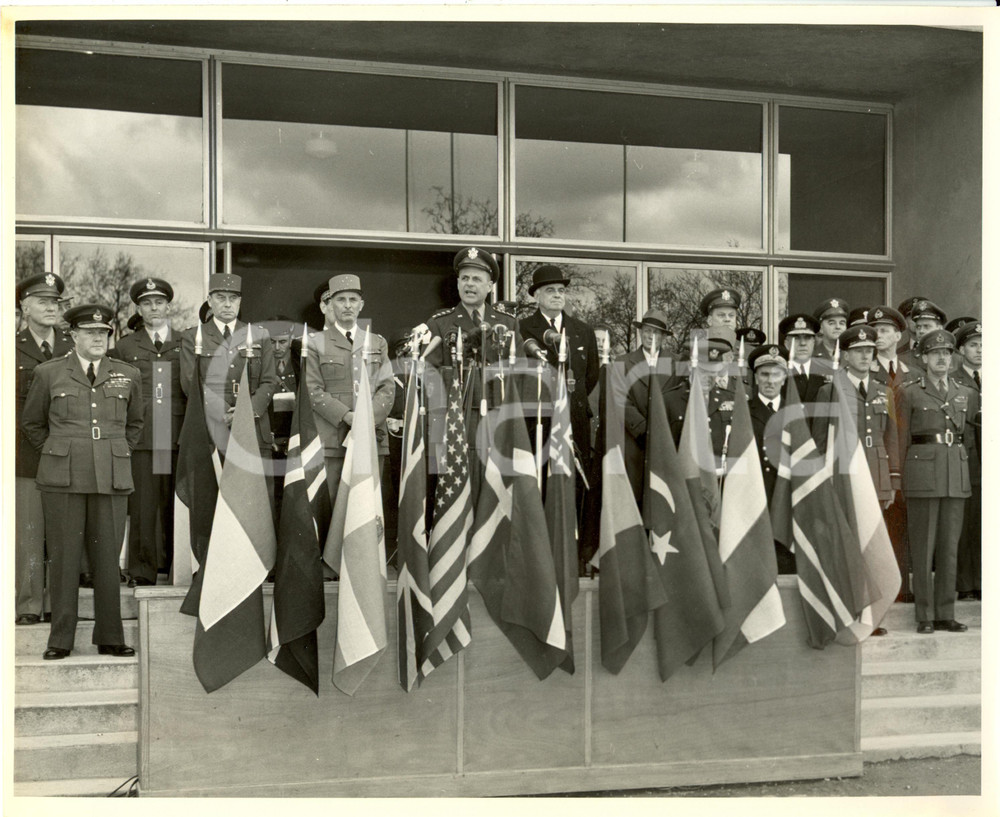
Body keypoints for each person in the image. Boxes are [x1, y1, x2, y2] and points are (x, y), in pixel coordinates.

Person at [22, 304, 143, 660]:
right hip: (63, 478)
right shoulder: (48, 373)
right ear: (73, 336)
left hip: (111, 476)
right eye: (90, 333)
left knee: (108, 561)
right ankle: (60, 640)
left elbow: (135, 425)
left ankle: (110, 636)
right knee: (63, 560)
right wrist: (60, 452)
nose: (98, 338)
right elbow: (32, 424)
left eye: (103, 333)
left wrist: (114, 452)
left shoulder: (128, 374)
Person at [815, 324, 901, 635]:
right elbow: (820, 439)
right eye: (859, 351)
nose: (865, 356)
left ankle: (874, 615)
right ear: (846, 355)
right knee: (849, 546)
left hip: (875, 475)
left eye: (870, 351)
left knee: (873, 544)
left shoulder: (884, 390)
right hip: (844, 476)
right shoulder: (830, 389)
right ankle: (851, 611)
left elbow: (891, 437)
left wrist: (892, 479)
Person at [896, 330, 978, 635]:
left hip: (955, 475)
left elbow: (967, 440)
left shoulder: (965, 393)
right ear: (924, 358)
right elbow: (902, 439)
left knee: (949, 547)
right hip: (922, 476)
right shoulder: (909, 392)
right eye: (936, 353)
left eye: (947, 353)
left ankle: (946, 613)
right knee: (923, 545)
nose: (942, 359)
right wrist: (901, 479)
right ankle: (925, 615)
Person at [109, 277, 185, 588]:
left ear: (169, 306)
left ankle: (177, 566)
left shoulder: (186, 343)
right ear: (139, 309)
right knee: (142, 507)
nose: (153, 307)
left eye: (158, 302)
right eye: (146, 303)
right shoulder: (125, 346)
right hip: (142, 437)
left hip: (175, 435)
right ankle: (142, 569)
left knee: (176, 504)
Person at [15, 273, 74, 625]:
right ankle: (29, 604)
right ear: (24, 306)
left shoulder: (72, 344)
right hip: (26, 453)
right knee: (30, 530)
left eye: (55, 303)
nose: (51, 308)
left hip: (69, 451)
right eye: (43, 302)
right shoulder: (11, 345)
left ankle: (59, 603)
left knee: (64, 530)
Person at [306, 273, 395, 505]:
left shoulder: (377, 342)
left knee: (369, 506)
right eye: (341, 299)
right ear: (330, 305)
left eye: (353, 300)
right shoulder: (315, 343)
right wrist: (347, 416)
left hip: (372, 435)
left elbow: (387, 388)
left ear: (361, 305)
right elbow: (313, 390)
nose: (347, 305)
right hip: (333, 438)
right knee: (335, 506)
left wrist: (365, 419)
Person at [519, 264, 600, 491]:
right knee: (540, 486)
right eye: (550, 290)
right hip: (538, 421)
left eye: (561, 290)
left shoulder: (583, 331)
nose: (557, 295)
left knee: (574, 487)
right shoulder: (523, 329)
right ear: (536, 295)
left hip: (574, 421)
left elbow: (591, 375)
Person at [179, 273, 278, 460]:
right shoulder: (193, 337)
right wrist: (223, 411)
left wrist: (245, 411)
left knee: (252, 488)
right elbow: (190, 382)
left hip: (252, 427)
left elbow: (269, 381)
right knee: (209, 487)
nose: (227, 304)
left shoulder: (258, 335)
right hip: (210, 427)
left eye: (233, 298)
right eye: (220, 298)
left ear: (239, 301)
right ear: (209, 300)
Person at [613, 309, 677, 502]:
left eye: (657, 332)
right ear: (640, 332)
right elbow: (618, 398)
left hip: (666, 440)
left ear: (664, 336)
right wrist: (642, 429)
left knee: (663, 498)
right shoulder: (622, 362)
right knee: (635, 496)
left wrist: (664, 430)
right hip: (634, 442)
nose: (651, 336)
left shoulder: (677, 363)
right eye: (648, 330)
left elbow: (679, 397)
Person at [746, 344, 794, 574]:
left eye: (776, 374)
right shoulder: (743, 411)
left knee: (785, 555)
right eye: (764, 374)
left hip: (787, 493)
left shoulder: (797, 412)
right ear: (755, 378)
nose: (770, 380)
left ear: (784, 378)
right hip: (756, 492)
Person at [951, 321, 982, 601]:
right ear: (961, 349)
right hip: (968, 460)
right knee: (967, 523)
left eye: (985, 345)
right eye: (973, 345)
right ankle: (967, 583)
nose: (980, 351)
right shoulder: (953, 379)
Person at [266, 317, 299, 520]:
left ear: (292, 338)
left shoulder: (301, 363)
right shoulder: (258, 364)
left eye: (282, 341)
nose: (277, 347)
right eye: (271, 341)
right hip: (270, 438)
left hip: (295, 436)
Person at [779, 313, 827, 404]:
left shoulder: (825, 371)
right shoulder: (778, 372)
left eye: (808, 338)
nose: (803, 343)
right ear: (786, 344)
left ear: (813, 342)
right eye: (796, 338)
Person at [867, 305, 917, 388]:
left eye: (884, 331)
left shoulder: (913, 374)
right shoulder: (865, 371)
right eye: (875, 331)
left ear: (897, 336)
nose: (878, 335)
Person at [900, 299, 947, 376]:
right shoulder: (903, 359)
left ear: (939, 328)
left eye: (926, 326)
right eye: (918, 327)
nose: (921, 331)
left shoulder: (956, 359)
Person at [812, 297, 849, 365]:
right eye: (831, 323)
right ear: (821, 328)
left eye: (842, 323)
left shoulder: (852, 355)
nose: (838, 327)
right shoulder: (811, 355)